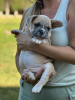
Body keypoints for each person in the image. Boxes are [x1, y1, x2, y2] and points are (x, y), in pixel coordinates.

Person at [15, 0, 75, 100]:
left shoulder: (70, 4)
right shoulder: (29, 12)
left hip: (62, 93)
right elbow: (19, 54)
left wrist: (33, 45)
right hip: (27, 92)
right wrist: (26, 76)